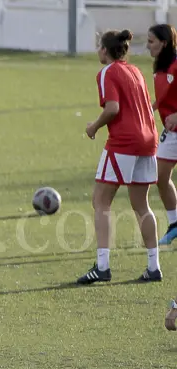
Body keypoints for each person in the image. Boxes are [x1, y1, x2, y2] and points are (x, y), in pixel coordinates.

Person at [78, 29, 162, 284]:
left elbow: (113, 108)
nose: (98, 51)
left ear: (105, 50)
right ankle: (154, 266)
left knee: (100, 200)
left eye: (99, 46)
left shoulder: (107, 72)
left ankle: (102, 266)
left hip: (124, 142)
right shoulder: (135, 71)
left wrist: (93, 126)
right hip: (148, 140)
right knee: (141, 204)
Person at [147, 24, 177, 244]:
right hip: (172, 133)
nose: (148, 46)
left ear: (164, 43)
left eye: (151, 41)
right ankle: (175, 223)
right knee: (160, 177)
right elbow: (165, 95)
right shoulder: (160, 67)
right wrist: (151, 107)